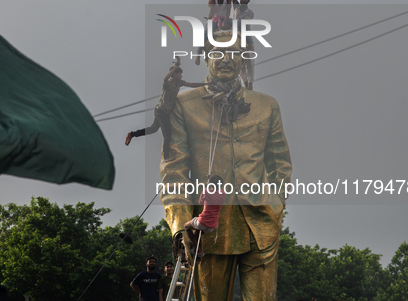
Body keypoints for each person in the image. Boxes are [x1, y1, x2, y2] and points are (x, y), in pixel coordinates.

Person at [160, 30, 292, 301]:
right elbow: (173, 170)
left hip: (261, 223)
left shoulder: (266, 106)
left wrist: (277, 203)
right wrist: (178, 227)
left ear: (244, 60)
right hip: (208, 230)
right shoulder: (185, 105)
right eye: (217, 52)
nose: (225, 59)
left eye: (234, 53)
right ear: (205, 57)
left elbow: (280, 162)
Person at [125, 60, 207, 161]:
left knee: (153, 129)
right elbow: (165, 78)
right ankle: (166, 156)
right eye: (179, 74)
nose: (181, 76)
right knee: (167, 133)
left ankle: (132, 134)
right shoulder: (167, 84)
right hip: (161, 111)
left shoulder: (179, 83)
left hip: (164, 111)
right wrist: (174, 68)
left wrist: (206, 84)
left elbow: (192, 84)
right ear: (175, 74)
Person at [183, 175, 225, 260]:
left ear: (211, 184)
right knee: (197, 233)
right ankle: (198, 254)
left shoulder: (206, 192)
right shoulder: (223, 193)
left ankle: (198, 250)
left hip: (202, 222)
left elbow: (200, 202)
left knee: (186, 226)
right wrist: (211, 182)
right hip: (212, 226)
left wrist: (208, 184)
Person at [232, 0, 256, 89]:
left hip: (246, 36)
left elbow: (243, 24)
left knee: (250, 60)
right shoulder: (236, 7)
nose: (243, 0)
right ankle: (245, 82)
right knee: (239, 61)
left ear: (248, 0)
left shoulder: (250, 13)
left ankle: (250, 82)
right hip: (236, 36)